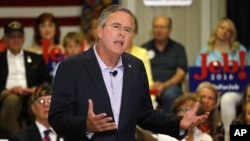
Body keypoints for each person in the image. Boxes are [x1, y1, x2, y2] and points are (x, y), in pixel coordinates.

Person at [48, 5, 208, 141]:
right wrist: (86, 126)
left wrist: (178, 123)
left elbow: (144, 114)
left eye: (127, 29)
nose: (122, 33)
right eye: (116, 26)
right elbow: (57, 118)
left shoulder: (135, 66)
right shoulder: (72, 66)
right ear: (100, 30)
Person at [194, 18, 248, 141]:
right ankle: (199, 131)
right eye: (222, 28)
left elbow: (246, 73)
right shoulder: (205, 51)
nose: (225, 32)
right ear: (216, 29)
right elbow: (197, 77)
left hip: (235, 91)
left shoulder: (241, 51)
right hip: (211, 90)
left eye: (229, 30)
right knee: (204, 95)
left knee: (226, 99)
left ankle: (229, 136)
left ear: (232, 34)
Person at [0, 20, 51, 133]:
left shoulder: (36, 58)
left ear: (23, 39)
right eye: (12, 36)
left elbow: (47, 81)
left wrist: (33, 90)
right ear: (5, 39)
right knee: (12, 100)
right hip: (6, 95)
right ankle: (11, 138)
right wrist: (6, 91)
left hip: (31, 93)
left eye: (19, 36)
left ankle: (40, 135)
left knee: (39, 100)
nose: (16, 40)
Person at [141, 15, 188, 113]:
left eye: (162, 27)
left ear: (170, 29)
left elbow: (181, 74)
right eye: (156, 27)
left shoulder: (178, 49)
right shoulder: (144, 49)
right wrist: (151, 85)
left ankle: (168, 126)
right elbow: (140, 70)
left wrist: (165, 85)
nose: (159, 30)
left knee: (170, 95)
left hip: (171, 87)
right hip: (149, 87)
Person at [125, 16, 153, 88]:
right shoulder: (112, 53)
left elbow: (148, 81)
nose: (125, 34)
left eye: (130, 30)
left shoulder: (142, 52)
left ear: (135, 33)